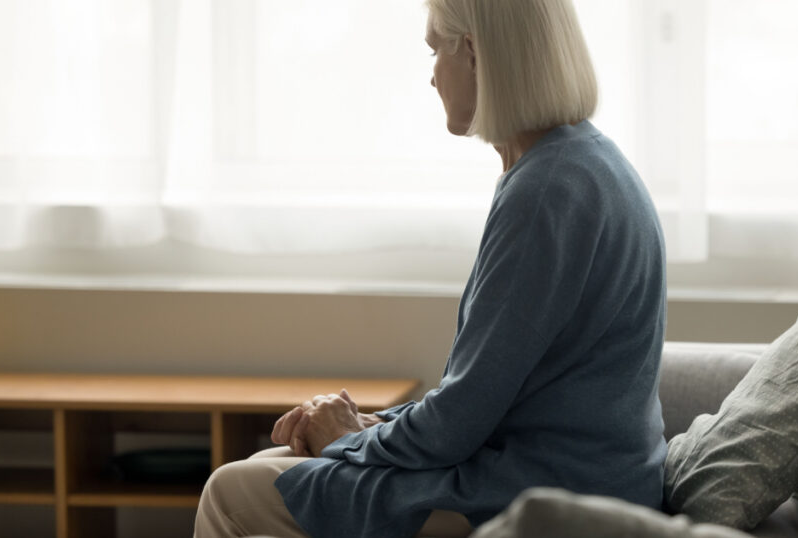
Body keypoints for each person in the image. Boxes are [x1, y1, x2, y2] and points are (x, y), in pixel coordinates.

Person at [194, 0, 667, 536]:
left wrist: (348, 439)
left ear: (472, 53)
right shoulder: (579, 162)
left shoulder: (546, 192)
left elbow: (459, 422)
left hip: (548, 492)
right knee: (264, 469)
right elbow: (484, 394)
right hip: (569, 472)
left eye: (434, 49)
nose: (432, 76)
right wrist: (369, 425)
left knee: (230, 493)